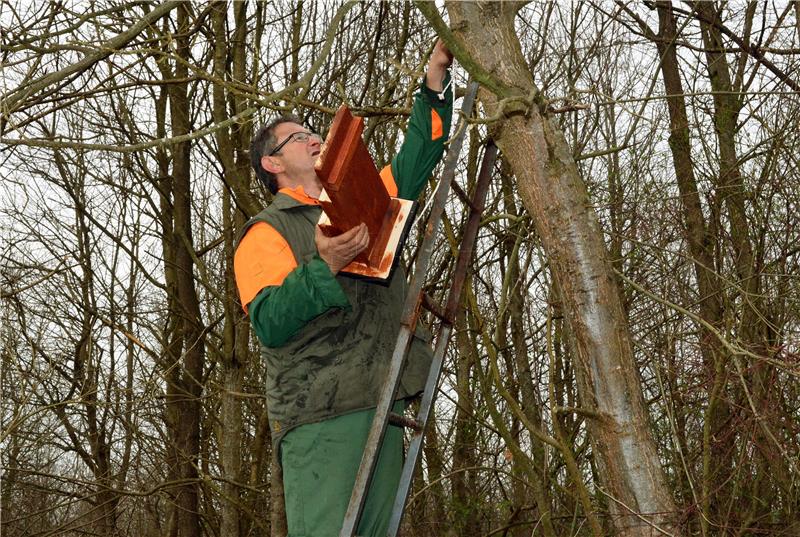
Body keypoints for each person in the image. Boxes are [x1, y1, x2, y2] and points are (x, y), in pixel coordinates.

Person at [234, 40, 453, 537]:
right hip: (321, 416)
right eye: (300, 138)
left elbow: (418, 156)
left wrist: (434, 82)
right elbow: (269, 320)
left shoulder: (356, 198)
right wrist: (324, 265)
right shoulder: (266, 232)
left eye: (315, 133)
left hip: (382, 400)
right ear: (273, 164)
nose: (315, 140)